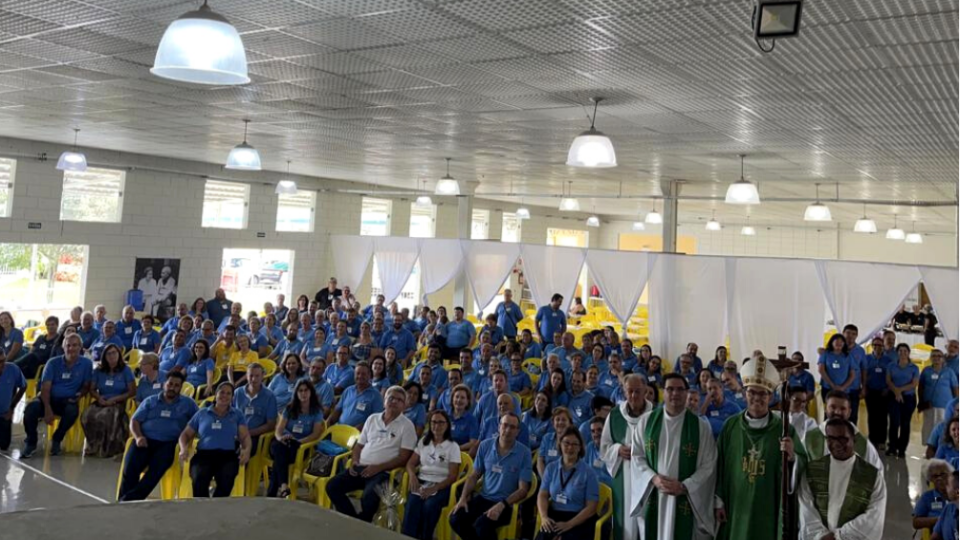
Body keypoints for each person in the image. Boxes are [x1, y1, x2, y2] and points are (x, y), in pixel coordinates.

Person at [714, 351, 806, 540]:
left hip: (768, 505)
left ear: (771, 396)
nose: (757, 398)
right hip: (736, 503)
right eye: (752, 392)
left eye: (763, 393)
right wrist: (719, 500)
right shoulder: (731, 426)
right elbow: (719, 465)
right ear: (744, 393)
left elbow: (803, 463)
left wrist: (792, 457)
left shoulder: (783, 429)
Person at [629, 373, 716, 540]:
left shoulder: (701, 428)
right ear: (663, 392)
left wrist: (684, 486)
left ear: (686, 393)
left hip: (685, 498)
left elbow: (709, 465)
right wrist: (653, 478)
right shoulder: (646, 423)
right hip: (655, 494)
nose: (675, 393)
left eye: (679, 389)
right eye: (670, 389)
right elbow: (637, 456)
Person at [328, 385, 416, 521]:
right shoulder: (372, 419)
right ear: (384, 401)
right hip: (361, 467)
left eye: (399, 400)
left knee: (369, 497)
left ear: (404, 405)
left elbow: (404, 457)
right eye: (391, 398)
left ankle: (362, 523)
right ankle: (354, 520)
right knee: (332, 486)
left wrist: (378, 468)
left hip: (383, 473)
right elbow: (359, 446)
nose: (394, 402)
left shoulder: (407, 425)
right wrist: (355, 461)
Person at [799, 418, 887, 540]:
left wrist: (840, 536)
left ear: (854, 440)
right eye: (830, 439)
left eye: (842, 439)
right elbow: (805, 508)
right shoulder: (812, 471)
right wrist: (821, 535)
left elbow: (875, 515)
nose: (836, 444)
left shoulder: (873, 476)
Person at [449, 412, 533, 540]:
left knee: (482, 525)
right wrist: (463, 498)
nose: (508, 430)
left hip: (506, 504)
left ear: (518, 431)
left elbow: (523, 490)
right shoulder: (485, 445)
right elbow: (474, 475)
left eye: (512, 427)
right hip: (484, 498)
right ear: (499, 427)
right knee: (455, 519)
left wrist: (502, 505)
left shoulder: (524, 453)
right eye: (505, 425)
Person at [119, 371, 199, 501]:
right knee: (130, 468)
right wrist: (138, 436)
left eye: (177, 385)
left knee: (155, 471)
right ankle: (125, 501)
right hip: (145, 440)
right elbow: (134, 421)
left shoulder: (188, 404)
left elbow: (198, 422)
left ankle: (127, 500)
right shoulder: (150, 401)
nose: (172, 387)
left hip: (169, 444)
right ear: (164, 384)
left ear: (181, 387)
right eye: (170, 384)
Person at [22, 334, 93, 458]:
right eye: (68, 345)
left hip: (67, 401)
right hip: (47, 398)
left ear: (80, 347)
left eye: (75, 345)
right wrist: (48, 409)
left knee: (72, 412)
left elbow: (86, 385)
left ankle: (57, 439)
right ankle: (31, 442)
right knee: (29, 410)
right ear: (63, 347)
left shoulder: (86, 364)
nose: (71, 348)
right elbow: (45, 388)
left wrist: (80, 394)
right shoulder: (53, 363)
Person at [600, 374, 653, 540]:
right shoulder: (615, 415)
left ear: (645, 391)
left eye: (638, 391)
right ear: (624, 391)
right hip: (624, 475)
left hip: (649, 478)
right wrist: (617, 450)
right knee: (625, 522)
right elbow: (604, 446)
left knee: (648, 522)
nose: (633, 396)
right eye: (630, 391)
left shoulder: (656, 415)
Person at [179, 382, 252, 498]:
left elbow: (245, 437)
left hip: (227, 455)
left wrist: (247, 450)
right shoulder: (202, 413)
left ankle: (217, 506)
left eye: (229, 393)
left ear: (232, 397)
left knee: (227, 478)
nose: (225, 396)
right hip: (204, 455)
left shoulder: (237, 414)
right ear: (215, 394)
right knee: (199, 477)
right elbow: (185, 434)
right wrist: (183, 449)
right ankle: (202, 507)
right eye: (222, 392)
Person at [402, 409, 462, 540]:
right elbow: (410, 463)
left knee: (430, 506)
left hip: (442, 485)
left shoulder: (453, 446)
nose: (437, 426)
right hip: (422, 480)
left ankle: (424, 537)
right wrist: (412, 476)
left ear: (447, 425)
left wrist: (434, 489)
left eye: (441, 422)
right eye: (434, 422)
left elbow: (452, 476)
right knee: (412, 504)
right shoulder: (424, 441)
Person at [536, 427, 600, 540]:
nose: (570, 447)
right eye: (566, 443)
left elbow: (591, 507)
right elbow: (542, 495)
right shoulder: (551, 468)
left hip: (579, 518)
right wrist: (544, 517)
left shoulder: (589, 473)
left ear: (580, 447)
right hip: (554, 515)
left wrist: (569, 524)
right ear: (560, 444)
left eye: (575, 444)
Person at [803, 390, 883, 469]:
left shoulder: (861, 442)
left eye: (843, 409)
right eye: (833, 407)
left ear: (849, 412)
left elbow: (876, 471)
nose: (837, 412)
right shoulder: (810, 438)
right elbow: (799, 469)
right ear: (825, 409)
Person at [81, 343, 135, 458]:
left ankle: (107, 448)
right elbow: (92, 389)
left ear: (119, 354)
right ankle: (93, 445)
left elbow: (132, 391)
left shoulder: (126, 370)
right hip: (102, 400)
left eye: (114, 353)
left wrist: (114, 399)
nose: (112, 356)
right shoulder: (99, 370)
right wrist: (99, 398)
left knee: (106, 416)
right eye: (108, 354)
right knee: (87, 415)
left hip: (118, 401)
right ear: (104, 356)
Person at [233, 363, 278, 455]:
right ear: (246, 376)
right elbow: (230, 415)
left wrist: (247, 433)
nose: (254, 379)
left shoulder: (270, 396)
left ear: (262, 376)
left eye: (257, 376)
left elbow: (271, 425)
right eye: (251, 375)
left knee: (238, 456)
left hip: (255, 435)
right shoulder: (238, 393)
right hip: (236, 433)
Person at [886, 342, 920, 458]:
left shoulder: (914, 368)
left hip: (908, 398)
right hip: (893, 397)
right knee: (894, 423)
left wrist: (899, 390)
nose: (903, 353)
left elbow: (914, 383)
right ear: (897, 353)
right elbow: (889, 381)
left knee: (905, 424)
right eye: (900, 351)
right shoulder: (891, 365)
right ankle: (892, 447)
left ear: (909, 353)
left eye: (905, 351)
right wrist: (896, 391)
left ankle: (902, 449)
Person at [328, 362, 384, 429]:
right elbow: (337, 411)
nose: (360, 376)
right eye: (357, 373)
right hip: (339, 430)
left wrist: (355, 430)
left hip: (359, 434)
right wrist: (328, 422)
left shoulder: (376, 396)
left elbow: (375, 420)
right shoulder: (348, 390)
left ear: (369, 375)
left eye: (363, 374)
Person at [921, 349, 959, 443]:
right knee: (928, 426)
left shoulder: (949, 372)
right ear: (930, 358)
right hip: (929, 405)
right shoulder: (926, 371)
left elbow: (955, 388)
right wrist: (921, 402)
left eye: (939, 356)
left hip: (945, 405)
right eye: (934, 356)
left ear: (943, 359)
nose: (936, 358)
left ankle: (941, 448)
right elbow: (921, 386)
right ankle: (929, 448)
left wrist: (956, 404)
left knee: (943, 427)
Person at [863, 336, 891, 449]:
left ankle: (882, 440)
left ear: (883, 347)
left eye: (880, 345)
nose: (877, 347)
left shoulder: (888, 360)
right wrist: (864, 387)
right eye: (875, 345)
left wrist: (888, 389)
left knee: (883, 416)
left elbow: (891, 376)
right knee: (872, 416)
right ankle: (872, 439)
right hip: (870, 391)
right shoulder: (867, 358)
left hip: (883, 391)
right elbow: (863, 374)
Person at [914, 459, 954, 533]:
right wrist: (938, 520)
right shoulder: (927, 497)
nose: (939, 478)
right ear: (931, 479)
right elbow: (916, 522)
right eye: (935, 476)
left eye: (943, 474)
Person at [0, 348, 26, 452]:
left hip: (4, 414)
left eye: (3, 361)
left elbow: (23, 386)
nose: (1, 364)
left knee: (4, 445)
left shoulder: (13, 369)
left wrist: (12, 408)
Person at [818, 334, 855, 406]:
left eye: (841, 342)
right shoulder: (825, 354)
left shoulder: (848, 356)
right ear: (831, 342)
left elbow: (852, 374)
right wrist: (833, 385)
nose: (839, 344)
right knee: (828, 410)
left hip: (844, 390)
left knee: (842, 410)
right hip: (828, 388)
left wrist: (842, 387)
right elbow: (821, 370)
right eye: (836, 342)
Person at [931, 470, 959, 540]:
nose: (946, 488)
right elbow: (935, 536)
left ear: (957, 491)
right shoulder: (948, 509)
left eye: (948, 485)